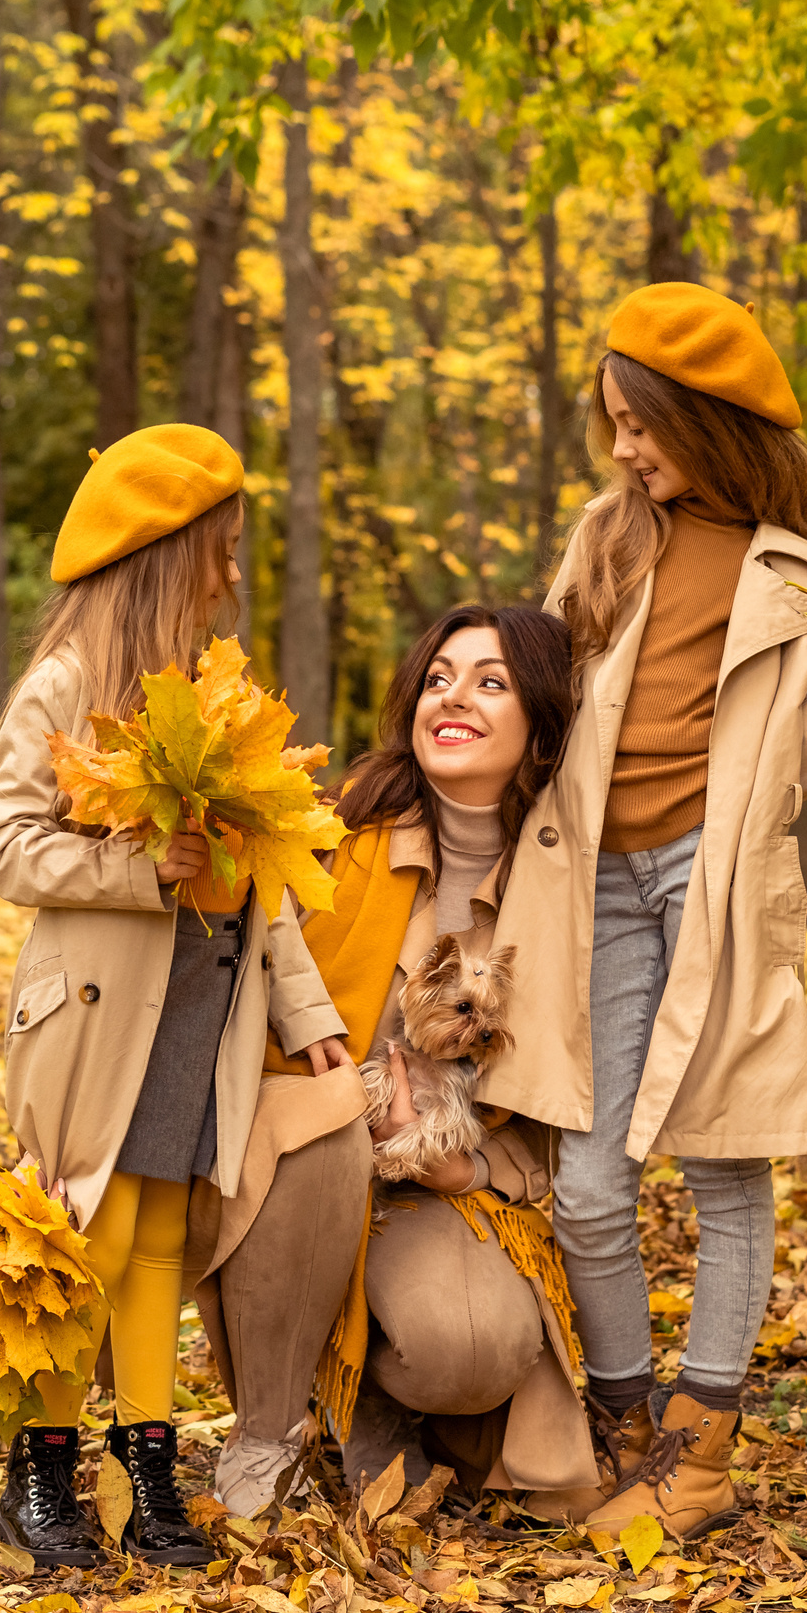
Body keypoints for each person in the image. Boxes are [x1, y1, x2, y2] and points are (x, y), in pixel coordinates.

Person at [484, 284, 807, 1541]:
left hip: (712, 880)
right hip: (595, 885)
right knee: (590, 1183)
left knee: (725, 1160)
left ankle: (702, 1443)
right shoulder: (606, 537)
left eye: (642, 425)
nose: (623, 449)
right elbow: (549, 691)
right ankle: (625, 1427)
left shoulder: (797, 571)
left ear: (712, 423)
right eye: (612, 423)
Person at [0, 425, 353, 1569]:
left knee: (161, 1238)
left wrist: (310, 1018)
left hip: (202, 1006)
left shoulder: (207, 692)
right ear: (162, 555)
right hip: (94, 1018)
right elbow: (4, 845)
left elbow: (266, 873)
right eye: (221, 551)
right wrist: (136, 875)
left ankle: (148, 1469)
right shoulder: (67, 686)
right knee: (90, 1235)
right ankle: (39, 1470)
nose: (234, 575)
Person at [205, 604, 596, 1519]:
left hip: (440, 1181)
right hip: (301, 1156)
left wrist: (470, 1166)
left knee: (470, 1344)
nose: (453, 696)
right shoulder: (332, 833)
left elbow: (577, 1101)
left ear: (541, 725)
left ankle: (373, 1390)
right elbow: (237, 994)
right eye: (438, 678)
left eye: (490, 682)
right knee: (322, 1134)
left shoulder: (567, 884)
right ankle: (277, 1420)